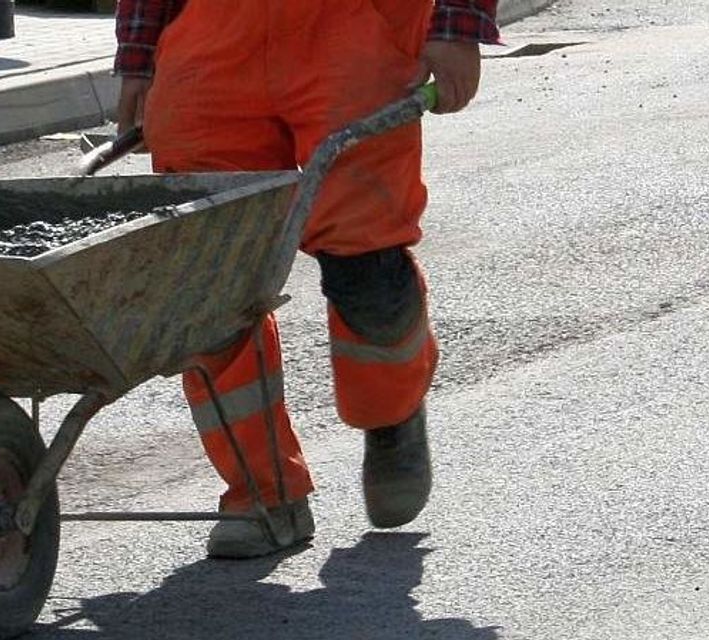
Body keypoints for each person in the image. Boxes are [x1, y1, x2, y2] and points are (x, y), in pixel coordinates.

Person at [113, 0, 500, 559]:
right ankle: (264, 494)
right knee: (209, 279)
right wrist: (139, 57)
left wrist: (457, 25)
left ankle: (391, 414)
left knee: (365, 264)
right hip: (215, 36)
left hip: (356, 27)